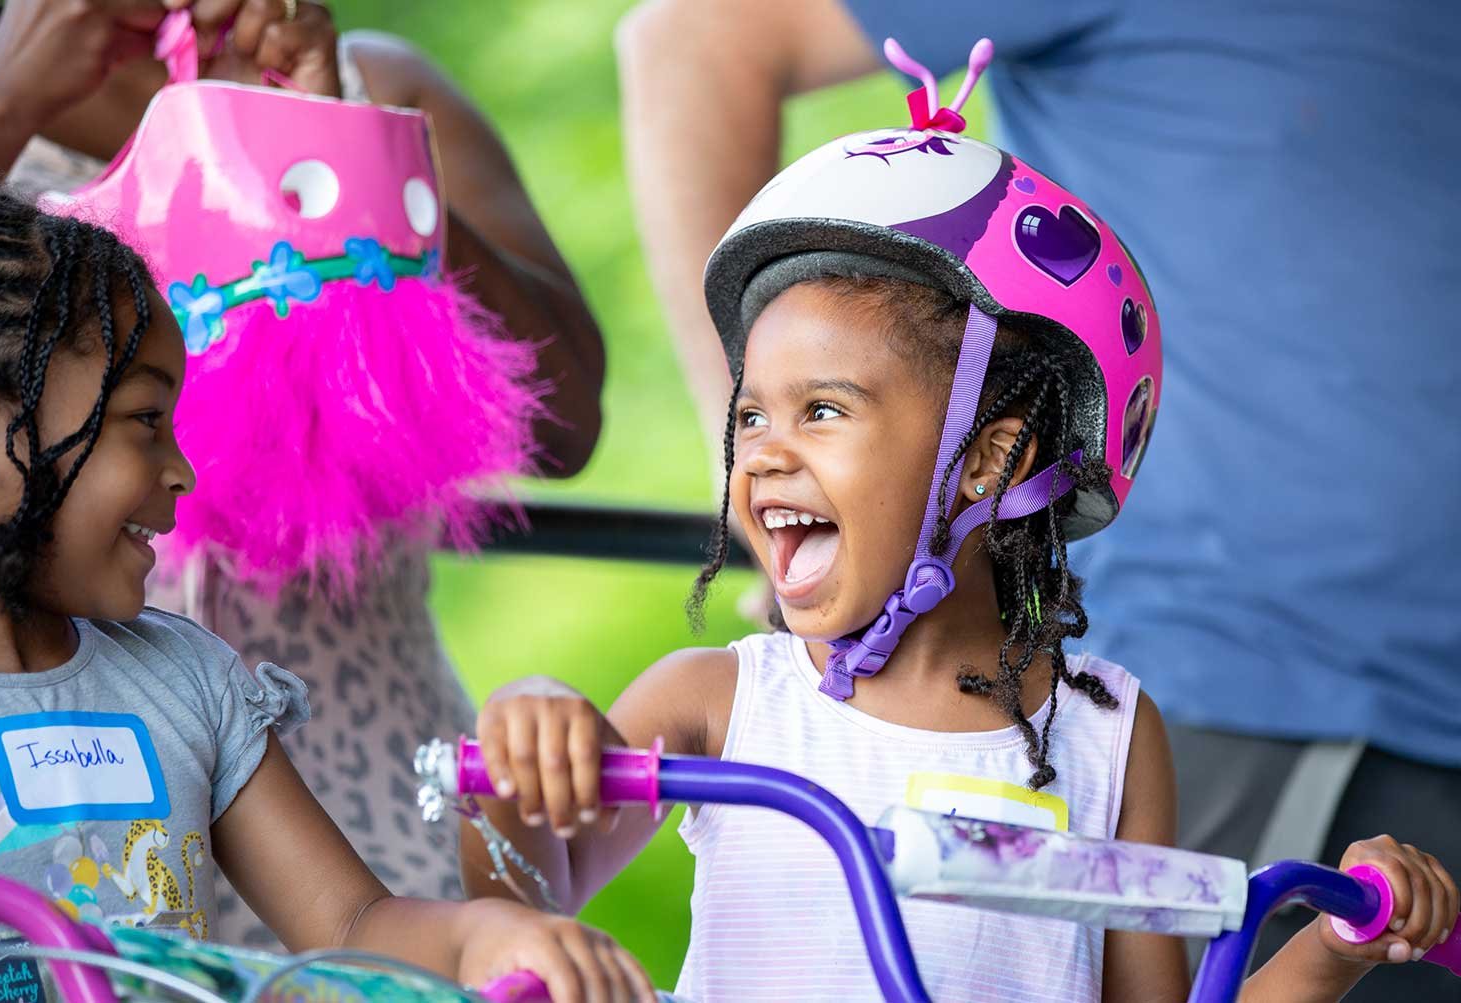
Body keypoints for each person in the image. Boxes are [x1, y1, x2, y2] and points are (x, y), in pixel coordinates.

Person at [460, 66, 1458, 1000]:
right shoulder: (720, 704)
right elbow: (507, 903)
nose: (760, 452)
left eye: (821, 410)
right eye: (751, 414)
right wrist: (530, 742)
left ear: (989, 459)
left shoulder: (1108, 735)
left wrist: (1333, 950)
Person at [0, 0, 606, 946]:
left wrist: (341, 145)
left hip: (361, 799)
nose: (176, 473)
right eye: (146, 420)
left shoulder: (373, 86)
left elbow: (563, 418)